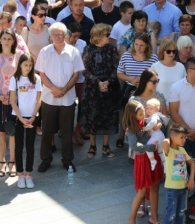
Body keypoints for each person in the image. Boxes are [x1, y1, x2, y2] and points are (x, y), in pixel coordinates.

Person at [36, 22, 85, 173]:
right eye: (54, 34)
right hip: (49, 97)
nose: (57, 37)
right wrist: (54, 89)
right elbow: (41, 74)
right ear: (50, 36)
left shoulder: (73, 52)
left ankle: (68, 160)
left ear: (65, 35)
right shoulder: (44, 52)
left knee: (66, 130)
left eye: (60, 34)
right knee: (47, 131)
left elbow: (76, 74)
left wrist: (64, 90)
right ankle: (45, 159)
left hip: (67, 98)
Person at [0, 28, 23, 177]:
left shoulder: (20, 55)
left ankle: (12, 163)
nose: (7, 41)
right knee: (0, 132)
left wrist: (12, 97)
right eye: (4, 38)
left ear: (14, 40)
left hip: (14, 100)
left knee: (13, 132)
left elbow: (23, 78)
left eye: (9, 38)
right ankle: (1, 163)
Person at [81, 23, 120, 159]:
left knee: (108, 116)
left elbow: (116, 67)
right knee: (92, 116)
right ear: (98, 36)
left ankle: (106, 146)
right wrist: (98, 82)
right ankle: (92, 145)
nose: (109, 37)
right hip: (92, 88)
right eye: (107, 34)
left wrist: (108, 82)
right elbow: (84, 69)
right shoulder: (88, 49)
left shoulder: (112, 49)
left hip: (109, 86)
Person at [123, 100, 161, 224]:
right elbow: (134, 146)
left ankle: (154, 218)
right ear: (132, 115)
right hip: (143, 159)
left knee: (155, 186)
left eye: (144, 112)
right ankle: (131, 219)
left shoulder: (144, 121)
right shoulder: (131, 128)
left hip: (152, 156)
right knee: (142, 191)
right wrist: (149, 148)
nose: (144, 116)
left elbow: (156, 122)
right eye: (140, 114)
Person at [10, 53, 42, 189]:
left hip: (32, 117)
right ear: (20, 65)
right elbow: (12, 100)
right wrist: (21, 118)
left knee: (30, 146)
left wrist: (33, 116)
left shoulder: (36, 79)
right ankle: (20, 174)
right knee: (19, 146)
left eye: (30, 65)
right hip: (19, 117)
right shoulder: (15, 79)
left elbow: (39, 99)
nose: (28, 68)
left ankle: (28, 174)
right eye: (25, 65)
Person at [162, 123, 195, 224]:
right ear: (173, 137)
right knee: (171, 213)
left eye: (185, 137)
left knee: (180, 213)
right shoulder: (168, 151)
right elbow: (164, 141)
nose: (184, 140)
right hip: (172, 189)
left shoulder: (182, 150)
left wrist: (191, 178)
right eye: (181, 137)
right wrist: (171, 138)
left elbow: (192, 164)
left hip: (183, 188)